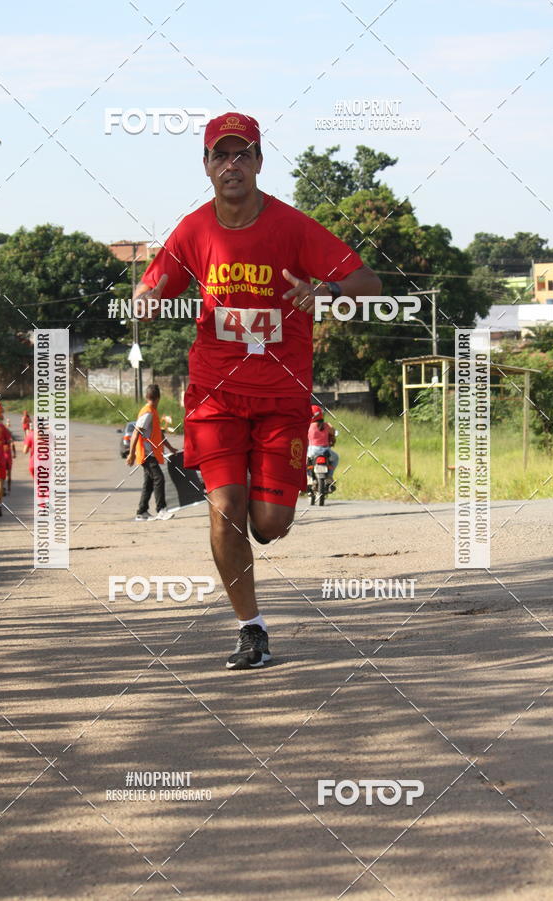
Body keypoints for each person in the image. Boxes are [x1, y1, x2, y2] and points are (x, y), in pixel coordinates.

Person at [134, 111, 381, 669]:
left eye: (242, 154)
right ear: (206, 166)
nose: (232, 165)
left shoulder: (293, 227)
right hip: (215, 395)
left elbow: (369, 280)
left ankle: (258, 512)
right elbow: (154, 282)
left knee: (268, 523)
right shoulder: (194, 229)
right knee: (224, 508)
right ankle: (252, 628)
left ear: (260, 163)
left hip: (282, 396)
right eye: (220, 155)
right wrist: (145, 297)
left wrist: (328, 289)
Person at [126, 384, 179, 521]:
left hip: (151, 453)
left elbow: (159, 435)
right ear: (158, 398)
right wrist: (131, 454)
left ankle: (141, 511)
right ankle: (161, 509)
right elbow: (135, 433)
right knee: (158, 478)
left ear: (146, 396)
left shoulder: (152, 412)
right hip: (146, 454)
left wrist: (171, 448)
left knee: (149, 482)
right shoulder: (148, 412)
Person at [307, 405, 338, 483]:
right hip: (326, 451)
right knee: (336, 458)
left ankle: (309, 477)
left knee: (304, 463)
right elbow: (334, 432)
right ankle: (329, 476)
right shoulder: (326, 425)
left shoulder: (308, 426)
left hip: (312, 451)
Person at [2, 427, 16, 495]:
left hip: (1, 457)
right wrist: (14, 453)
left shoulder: (0, 437)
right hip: (8, 457)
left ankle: (2, 488)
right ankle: (9, 489)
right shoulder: (9, 437)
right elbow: (13, 444)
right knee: (9, 474)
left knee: (1, 474)